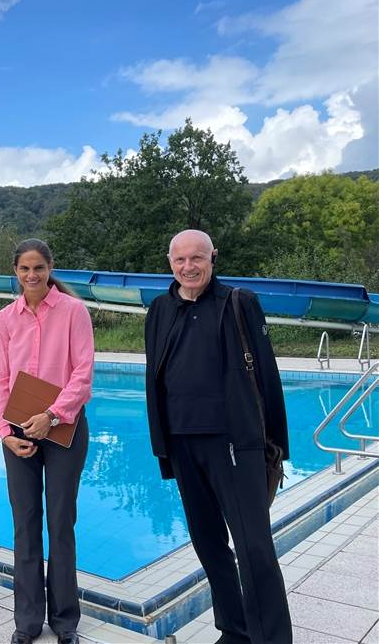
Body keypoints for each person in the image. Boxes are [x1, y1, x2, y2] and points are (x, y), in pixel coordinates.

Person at [144, 229, 292, 644]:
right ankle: (235, 630)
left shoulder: (239, 303)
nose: (188, 267)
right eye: (180, 260)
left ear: (212, 258)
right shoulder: (159, 309)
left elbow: (267, 374)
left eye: (197, 258)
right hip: (182, 443)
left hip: (235, 444)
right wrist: (163, 447)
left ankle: (273, 638)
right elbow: (154, 379)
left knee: (254, 549)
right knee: (208, 545)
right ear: (170, 263)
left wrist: (274, 445)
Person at [0, 238, 94, 644]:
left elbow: (83, 374)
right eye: (24, 269)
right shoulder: (6, 319)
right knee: (25, 526)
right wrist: (4, 433)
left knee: (61, 523)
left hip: (63, 429)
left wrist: (51, 415)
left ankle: (65, 621)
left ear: (50, 268)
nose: (31, 276)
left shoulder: (73, 312)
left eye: (39, 268)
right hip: (17, 435)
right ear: (15, 271)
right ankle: (27, 621)